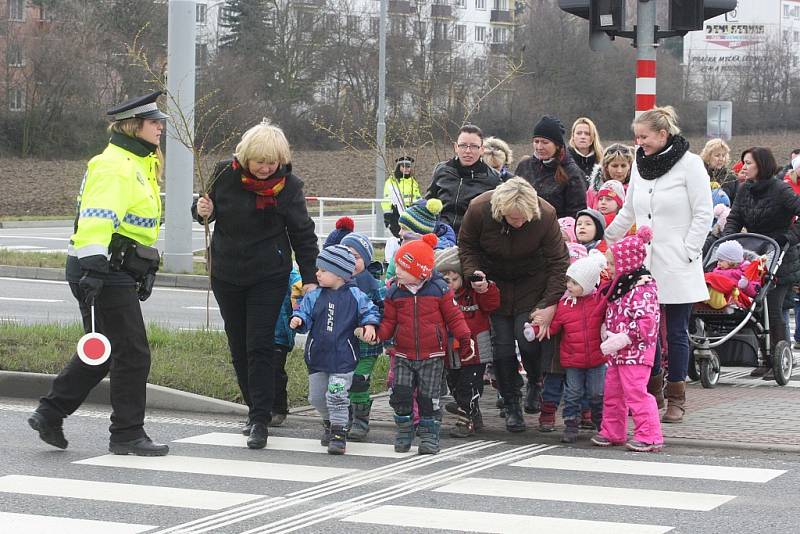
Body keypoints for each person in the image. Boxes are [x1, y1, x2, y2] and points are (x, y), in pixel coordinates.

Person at [28, 91, 170, 455]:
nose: (160, 127)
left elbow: (132, 221)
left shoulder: (136, 163)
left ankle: (50, 412)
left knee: (104, 350)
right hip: (103, 268)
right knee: (133, 353)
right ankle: (127, 434)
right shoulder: (115, 165)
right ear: (134, 126)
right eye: (154, 122)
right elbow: (96, 219)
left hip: (111, 268)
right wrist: (95, 268)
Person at [192, 118, 318, 449]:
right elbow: (204, 211)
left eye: (271, 163)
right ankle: (253, 407)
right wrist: (201, 208)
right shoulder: (224, 173)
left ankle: (260, 418)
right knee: (238, 345)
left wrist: (310, 279)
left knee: (260, 344)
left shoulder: (289, 188)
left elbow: (303, 235)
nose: (265, 169)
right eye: (259, 162)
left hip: (268, 274)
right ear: (245, 157)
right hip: (226, 272)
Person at [605, 106, 713, 422]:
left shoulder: (690, 165)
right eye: (636, 137)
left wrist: (688, 251)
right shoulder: (640, 165)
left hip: (678, 261)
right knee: (643, 331)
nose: (639, 143)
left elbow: (704, 212)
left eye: (644, 137)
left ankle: (677, 395)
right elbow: (629, 211)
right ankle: (651, 392)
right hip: (643, 266)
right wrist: (606, 238)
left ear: (663, 134)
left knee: (676, 332)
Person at [458, 177, 570, 433]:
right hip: (493, 286)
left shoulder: (546, 214)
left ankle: (535, 380)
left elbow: (558, 262)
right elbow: (467, 246)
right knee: (501, 344)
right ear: (500, 211)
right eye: (513, 218)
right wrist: (474, 274)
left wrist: (549, 303)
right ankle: (511, 401)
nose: (518, 222)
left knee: (528, 337)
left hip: (532, 283)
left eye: (523, 219)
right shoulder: (479, 209)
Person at [376, 234, 473, 454]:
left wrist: (464, 337)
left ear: (419, 270)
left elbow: (454, 317)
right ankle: (404, 431)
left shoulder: (439, 290)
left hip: (432, 355)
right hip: (402, 353)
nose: (397, 271)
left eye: (402, 266)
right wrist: (378, 335)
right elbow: (389, 321)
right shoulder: (394, 292)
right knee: (400, 395)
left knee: (429, 398)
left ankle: (429, 436)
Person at [716, 147, 800, 379]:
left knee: (773, 307)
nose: (743, 167)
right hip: (755, 254)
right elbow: (735, 217)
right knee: (755, 308)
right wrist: (729, 239)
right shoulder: (745, 190)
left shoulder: (781, 189)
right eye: (743, 162)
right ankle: (763, 357)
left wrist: (789, 236)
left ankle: (779, 359)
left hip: (781, 254)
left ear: (761, 164)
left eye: (748, 163)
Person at [290, 245, 381, 455]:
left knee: (337, 395)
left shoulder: (355, 295)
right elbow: (304, 313)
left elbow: (369, 310)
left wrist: (369, 325)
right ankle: (330, 421)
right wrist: (298, 319)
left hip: (343, 357)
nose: (317, 274)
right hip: (318, 356)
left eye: (322, 270)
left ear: (339, 274)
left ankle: (339, 433)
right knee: (316, 397)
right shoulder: (314, 296)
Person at [592, 226, 663, 453]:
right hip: (617, 352)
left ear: (626, 263)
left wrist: (624, 337)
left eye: (612, 264)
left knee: (635, 392)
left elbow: (648, 322)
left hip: (637, 352)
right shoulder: (621, 286)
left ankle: (650, 434)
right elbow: (613, 312)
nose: (609, 268)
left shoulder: (643, 288)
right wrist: (606, 328)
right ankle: (613, 430)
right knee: (613, 391)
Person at [525, 251, 608, 443]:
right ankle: (571, 424)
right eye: (568, 281)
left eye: (575, 283)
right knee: (573, 393)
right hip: (572, 360)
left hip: (596, 359)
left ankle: (601, 423)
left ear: (587, 285)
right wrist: (535, 328)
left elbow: (609, 319)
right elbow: (553, 326)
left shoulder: (599, 302)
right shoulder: (564, 306)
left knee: (597, 393)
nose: (569, 286)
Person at [435, 246, 501, 437]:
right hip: (451, 350)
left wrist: (485, 287)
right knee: (454, 384)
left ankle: (465, 421)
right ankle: (474, 414)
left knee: (469, 386)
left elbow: (492, 304)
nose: (450, 284)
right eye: (445, 280)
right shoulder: (439, 297)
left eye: (454, 279)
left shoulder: (473, 293)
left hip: (475, 350)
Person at [340, 232, 385, 442]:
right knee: (340, 382)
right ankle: (343, 417)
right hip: (341, 346)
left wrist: (372, 328)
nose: (351, 261)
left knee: (359, 380)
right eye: (346, 255)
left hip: (366, 346)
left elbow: (383, 312)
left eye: (356, 257)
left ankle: (360, 420)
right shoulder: (335, 282)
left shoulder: (372, 285)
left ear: (365, 260)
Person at [426, 124, 501, 235]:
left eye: (474, 146)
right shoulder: (442, 170)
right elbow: (428, 200)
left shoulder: (493, 178)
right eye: (463, 145)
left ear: (482, 150)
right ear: (456, 147)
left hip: (473, 238)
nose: (468, 151)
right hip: (440, 234)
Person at [515, 115, 587, 219]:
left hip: (555, 230)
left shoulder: (572, 173)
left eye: (545, 142)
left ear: (557, 145)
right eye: (536, 141)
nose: (539, 147)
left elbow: (576, 214)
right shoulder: (524, 166)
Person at [265, 267, 303, 428]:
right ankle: (259, 409)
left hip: (279, 333)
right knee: (256, 371)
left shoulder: (288, 273)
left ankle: (278, 408)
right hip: (256, 331)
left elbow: (300, 287)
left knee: (274, 372)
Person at [703, 240, 760, 310]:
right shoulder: (718, 269)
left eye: (721, 260)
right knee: (708, 279)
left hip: (736, 298)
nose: (718, 263)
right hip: (720, 294)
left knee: (712, 279)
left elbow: (755, 291)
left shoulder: (747, 271)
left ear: (731, 261)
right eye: (718, 260)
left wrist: (746, 285)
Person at [382, 156, 422, 237]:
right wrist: (387, 215)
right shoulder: (392, 181)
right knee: (399, 236)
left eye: (408, 166)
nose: (406, 168)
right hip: (396, 212)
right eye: (404, 166)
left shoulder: (413, 181)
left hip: (411, 212)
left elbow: (418, 198)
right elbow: (387, 199)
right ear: (398, 167)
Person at [586, 144, 634, 210]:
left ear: (629, 166)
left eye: (623, 166)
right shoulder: (593, 191)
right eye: (614, 166)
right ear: (606, 167)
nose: (619, 171)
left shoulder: (635, 190)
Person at [700, 138, 740, 205]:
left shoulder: (731, 178)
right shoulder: (700, 175)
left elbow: (737, 203)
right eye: (717, 155)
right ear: (708, 156)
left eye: (723, 155)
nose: (721, 159)